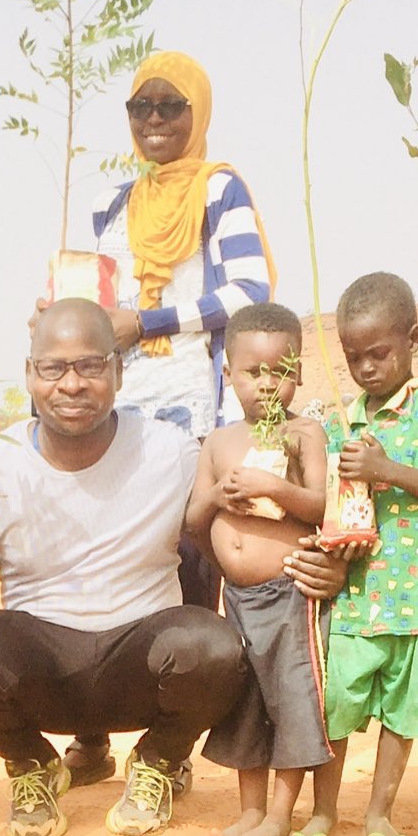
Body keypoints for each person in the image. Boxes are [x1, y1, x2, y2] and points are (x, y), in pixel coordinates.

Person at [0, 298, 249, 836]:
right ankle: (32, 763)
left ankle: (158, 761)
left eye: (91, 366)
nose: (71, 384)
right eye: (53, 367)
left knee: (216, 650)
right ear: (30, 375)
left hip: (141, 661)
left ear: (119, 371)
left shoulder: (170, 452)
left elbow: (227, 536)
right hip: (42, 668)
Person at [65, 49, 275, 787]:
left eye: (170, 107)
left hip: (191, 412)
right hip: (115, 414)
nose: (154, 121)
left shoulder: (220, 190)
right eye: (141, 108)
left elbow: (251, 290)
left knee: (187, 568)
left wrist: (147, 318)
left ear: (198, 113)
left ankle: (169, 748)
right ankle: (90, 734)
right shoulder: (114, 206)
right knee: (101, 561)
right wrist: (71, 320)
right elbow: (100, 305)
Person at [285, 274, 418, 836]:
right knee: (336, 709)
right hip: (357, 600)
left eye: (379, 353)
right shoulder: (342, 423)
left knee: (403, 713)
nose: (366, 368)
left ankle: (381, 816)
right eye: (353, 357)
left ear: (413, 339)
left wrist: (387, 468)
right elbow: (332, 505)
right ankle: (322, 812)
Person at [185, 304, 330, 836]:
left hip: (290, 595)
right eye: (253, 372)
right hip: (238, 598)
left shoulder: (304, 433)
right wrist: (220, 499)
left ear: (297, 373)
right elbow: (194, 521)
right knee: (246, 702)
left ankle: (278, 817)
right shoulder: (219, 442)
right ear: (228, 372)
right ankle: (249, 811)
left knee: (291, 699)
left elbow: (319, 506)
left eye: (279, 371)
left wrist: (276, 486)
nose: (267, 384)